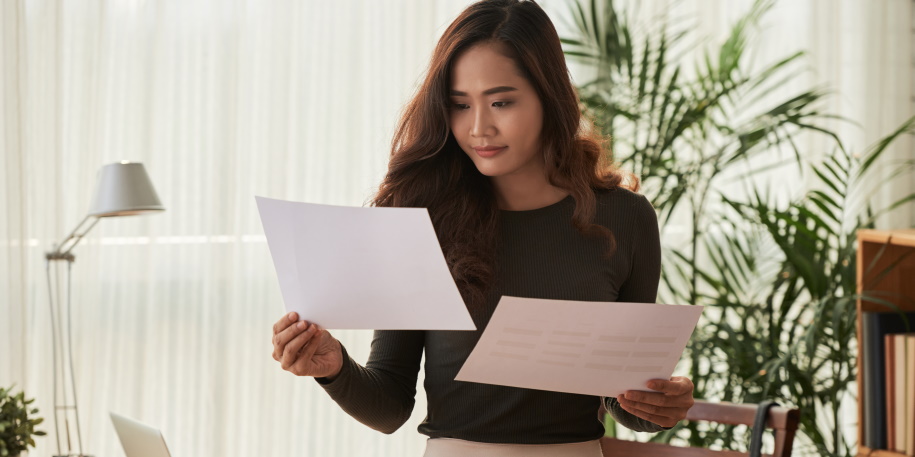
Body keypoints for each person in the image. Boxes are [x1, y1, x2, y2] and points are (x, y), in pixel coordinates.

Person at [271, 0, 695, 455]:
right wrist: (333, 367)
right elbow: (389, 406)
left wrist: (657, 401)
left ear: (549, 96)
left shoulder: (625, 218)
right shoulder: (422, 217)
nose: (479, 128)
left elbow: (623, 398)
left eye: (500, 102)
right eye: (459, 105)